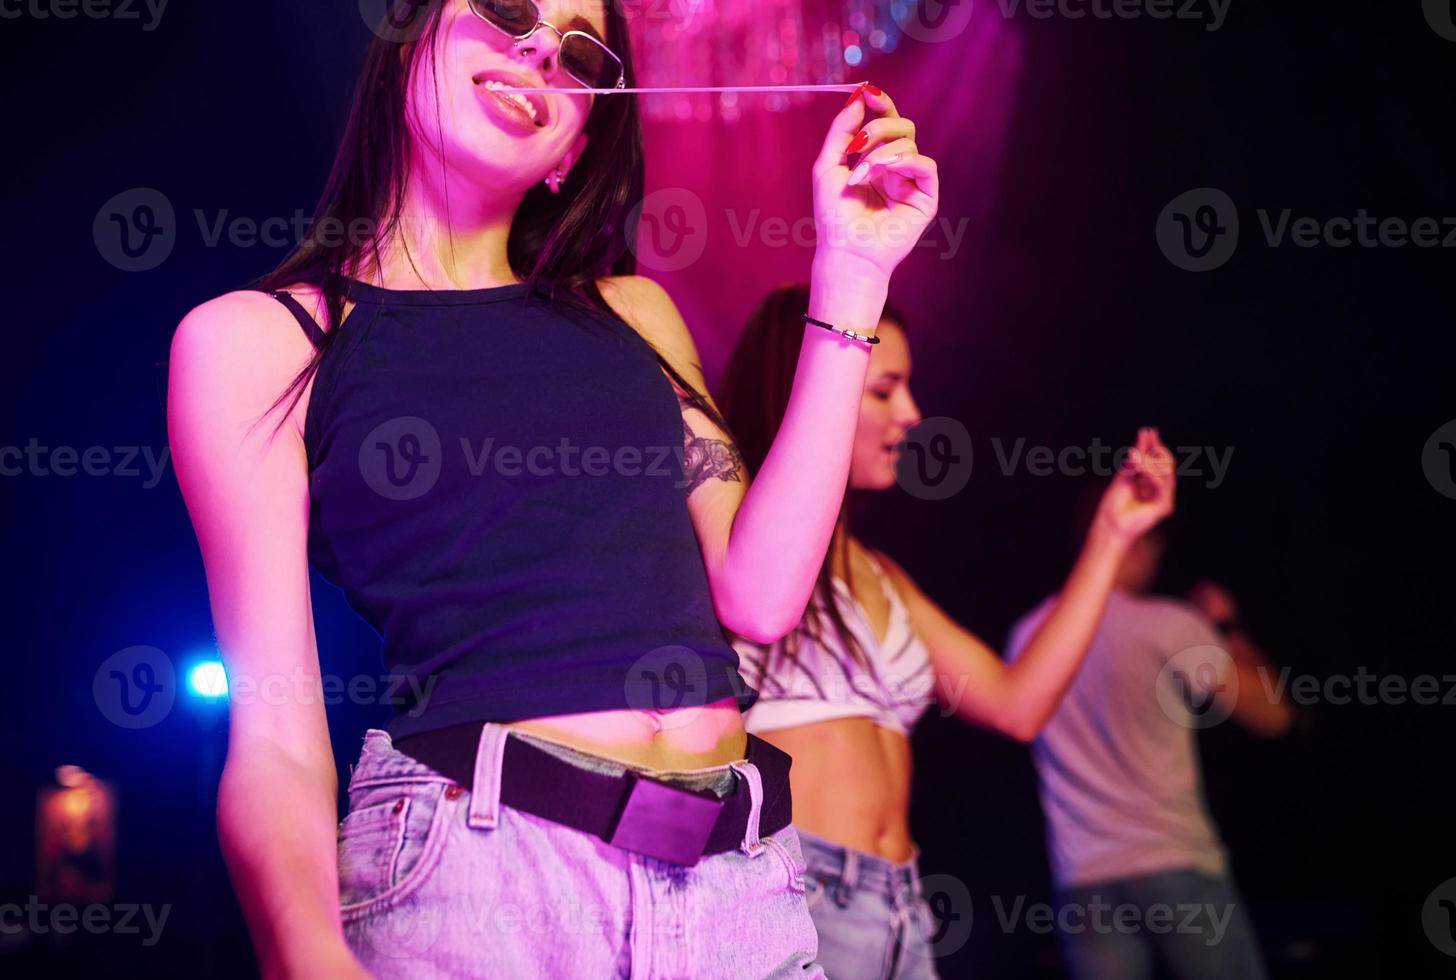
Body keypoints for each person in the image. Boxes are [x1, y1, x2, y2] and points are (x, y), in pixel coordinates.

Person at [165, 2, 939, 976]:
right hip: (481, 882)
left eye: (580, 51)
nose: (538, 47)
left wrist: (852, 275)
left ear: (575, 142)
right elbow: (275, 728)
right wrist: (307, 951)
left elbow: (762, 591)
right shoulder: (263, 341)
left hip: (744, 886)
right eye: (505, 8)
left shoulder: (635, 315)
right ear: (407, 43)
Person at [716, 284, 1177, 979]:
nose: (912, 414)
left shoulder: (882, 575)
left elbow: (1018, 705)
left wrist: (1111, 537)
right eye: (885, 391)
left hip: (902, 904)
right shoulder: (736, 544)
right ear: (813, 385)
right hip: (795, 890)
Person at [1005, 487, 1292, 980]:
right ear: (1138, 540)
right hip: (1175, 862)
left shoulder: (1028, 635)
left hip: (1086, 880)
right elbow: (1273, 716)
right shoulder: (1166, 625)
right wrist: (1228, 625)